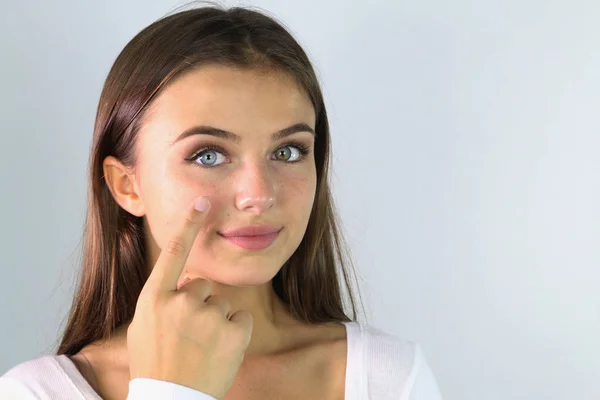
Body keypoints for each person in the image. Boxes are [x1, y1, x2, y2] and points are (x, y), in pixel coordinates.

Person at [0, 4, 443, 400]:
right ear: (126, 185)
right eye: (208, 155)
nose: (259, 194)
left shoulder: (390, 380)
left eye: (287, 151)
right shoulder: (36, 393)